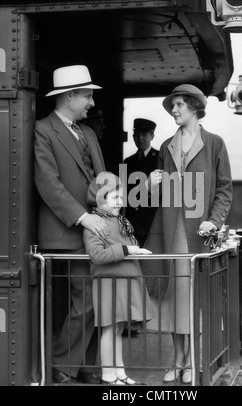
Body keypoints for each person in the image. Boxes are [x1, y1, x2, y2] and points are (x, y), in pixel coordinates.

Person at [145, 84, 233, 384]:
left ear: (195, 107)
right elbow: (159, 196)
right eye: (173, 105)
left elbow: (224, 189)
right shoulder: (167, 145)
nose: (174, 109)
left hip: (198, 233)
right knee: (174, 300)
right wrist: (152, 185)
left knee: (196, 299)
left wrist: (214, 221)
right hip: (171, 231)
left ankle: (194, 360)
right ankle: (179, 361)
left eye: (180, 104)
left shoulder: (214, 143)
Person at [34, 65, 109, 384]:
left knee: (96, 300)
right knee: (87, 301)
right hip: (66, 231)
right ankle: (63, 367)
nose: (92, 103)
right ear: (69, 96)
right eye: (87, 95)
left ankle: (78, 368)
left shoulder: (88, 132)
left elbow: (103, 179)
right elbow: (48, 183)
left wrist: (110, 212)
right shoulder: (42, 129)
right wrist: (84, 216)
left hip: (94, 231)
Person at [83, 171, 154, 385]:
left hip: (119, 282)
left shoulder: (119, 220)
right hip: (109, 283)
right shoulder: (97, 223)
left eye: (121, 197)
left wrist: (130, 250)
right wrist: (127, 250)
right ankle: (108, 376)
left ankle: (119, 374)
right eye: (115, 198)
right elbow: (97, 255)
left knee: (118, 328)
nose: (120, 202)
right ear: (100, 200)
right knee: (110, 328)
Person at [123, 118, 159, 247]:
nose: (141, 138)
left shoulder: (160, 159)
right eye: (137, 135)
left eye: (144, 135)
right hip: (133, 222)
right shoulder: (128, 162)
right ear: (133, 137)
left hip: (152, 221)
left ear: (152, 136)